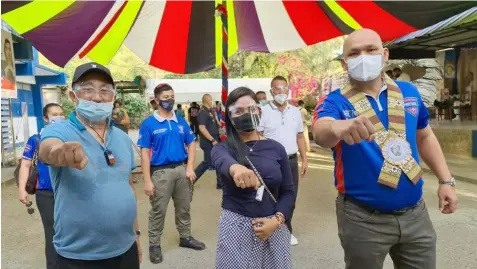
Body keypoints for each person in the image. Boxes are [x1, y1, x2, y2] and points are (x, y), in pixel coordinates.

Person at [313, 28, 457, 269]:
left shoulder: (409, 93)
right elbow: (320, 131)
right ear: (344, 64)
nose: (364, 57)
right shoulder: (334, 101)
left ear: (385, 54)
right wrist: (338, 127)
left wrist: (446, 180)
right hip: (362, 219)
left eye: (371, 50)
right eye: (354, 53)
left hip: (415, 214)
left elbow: (424, 136)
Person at [39, 62, 142, 269]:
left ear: (113, 97)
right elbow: (48, 149)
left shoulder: (122, 138)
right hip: (78, 257)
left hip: (126, 249)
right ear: (72, 96)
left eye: (105, 90)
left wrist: (136, 234)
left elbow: (128, 187)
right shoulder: (61, 131)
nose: (97, 97)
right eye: (87, 89)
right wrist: (58, 153)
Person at [211, 87, 294, 269]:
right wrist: (236, 168)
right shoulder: (223, 149)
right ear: (230, 117)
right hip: (235, 229)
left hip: (273, 227)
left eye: (251, 109)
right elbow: (221, 161)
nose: (246, 114)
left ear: (259, 110)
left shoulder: (276, 148)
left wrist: (277, 220)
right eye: (238, 111)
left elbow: (288, 192)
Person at [138, 83, 205, 264]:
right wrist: (147, 181)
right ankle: (154, 245)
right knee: (158, 211)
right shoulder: (149, 124)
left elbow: (191, 143)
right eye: (165, 97)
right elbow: (144, 153)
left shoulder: (180, 121)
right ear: (157, 100)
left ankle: (185, 237)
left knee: (184, 207)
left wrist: (190, 167)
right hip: (160, 173)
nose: (169, 100)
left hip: (181, 171)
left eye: (171, 96)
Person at [258, 76, 308, 246]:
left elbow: (300, 136)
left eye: (284, 88)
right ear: (271, 91)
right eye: (277, 89)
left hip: (291, 161)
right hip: (271, 162)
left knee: (290, 197)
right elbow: (258, 136)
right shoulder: (263, 111)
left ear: (288, 90)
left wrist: (305, 159)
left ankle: (286, 230)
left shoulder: (295, 111)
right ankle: (269, 231)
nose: (281, 92)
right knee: (271, 197)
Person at [18, 103, 65, 269]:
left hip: (69, 193)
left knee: (71, 230)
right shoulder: (36, 139)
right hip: (46, 194)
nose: (58, 117)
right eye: (54, 114)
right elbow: (25, 165)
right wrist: (22, 189)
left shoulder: (69, 137)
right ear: (45, 118)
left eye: (61, 113)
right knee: (52, 231)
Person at [194, 94, 222, 189]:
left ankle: (220, 183)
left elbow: (215, 124)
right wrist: (212, 139)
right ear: (207, 100)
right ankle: (190, 180)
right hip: (208, 142)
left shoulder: (210, 111)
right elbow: (202, 128)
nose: (212, 101)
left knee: (218, 160)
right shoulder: (202, 112)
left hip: (215, 141)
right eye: (211, 99)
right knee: (207, 163)